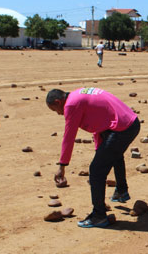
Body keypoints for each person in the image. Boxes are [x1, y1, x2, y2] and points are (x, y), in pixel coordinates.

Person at [46, 87, 140, 228]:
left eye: (55, 110)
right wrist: (99, 150)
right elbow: (99, 125)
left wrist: (62, 165)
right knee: (113, 153)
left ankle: (99, 216)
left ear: (58, 102)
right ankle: (121, 191)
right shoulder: (77, 94)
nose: (59, 114)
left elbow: (69, 136)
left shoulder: (71, 105)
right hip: (129, 122)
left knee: (96, 171)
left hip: (122, 128)